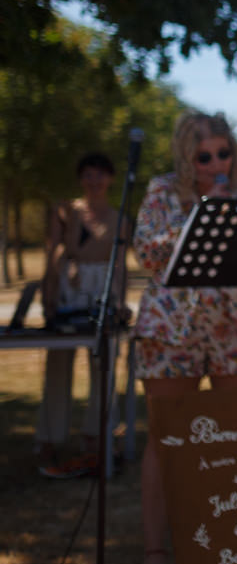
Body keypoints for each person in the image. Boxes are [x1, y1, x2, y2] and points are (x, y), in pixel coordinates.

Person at [132, 111, 237, 564]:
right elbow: (148, 255)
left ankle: (235, 546)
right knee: (166, 439)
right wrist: (202, 211)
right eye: (205, 157)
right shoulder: (162, 193)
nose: (218, 164)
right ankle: (157, 551)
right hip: (173, 331)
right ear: (186, 159)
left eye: (225, 153)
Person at [35, 152, 128, 479]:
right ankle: (50, 438)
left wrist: (120, 301)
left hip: (102, 291)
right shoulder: (67, 211)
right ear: (81, 179)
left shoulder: (118, 217)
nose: (95, 181)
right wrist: (49, 296)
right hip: (68, 289)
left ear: (111, 179)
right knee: (58, 364)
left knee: (103, 366)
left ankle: (97, 435)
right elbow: (54, 252)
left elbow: (119, 264)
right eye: (88, 175)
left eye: (101, 174)